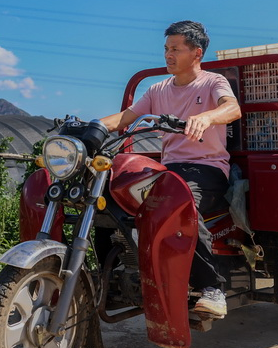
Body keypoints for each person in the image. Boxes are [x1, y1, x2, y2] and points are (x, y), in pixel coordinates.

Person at [99, 20, 241, 319]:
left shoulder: (212, 82)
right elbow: (126, 117)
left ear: (196, 53)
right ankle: (110, 278)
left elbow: (232, 109)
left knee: (180, 203)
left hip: (207, 168)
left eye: (175, 49)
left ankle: (211, 289)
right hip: (169, 169)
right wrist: (94, 127)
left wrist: (207, 117)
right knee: (106, 198)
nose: (168, 55)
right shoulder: (158, 89)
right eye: (166, 49)